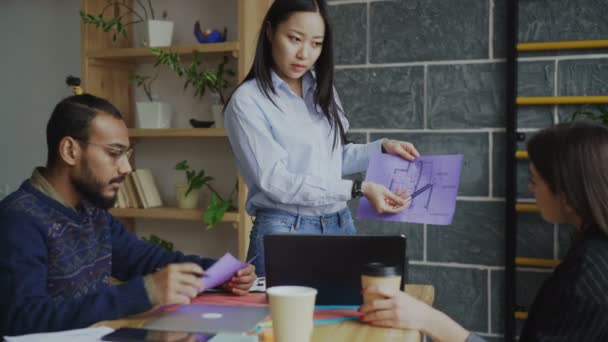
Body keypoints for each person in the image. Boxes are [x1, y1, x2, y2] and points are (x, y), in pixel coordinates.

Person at [0, 91, 256, 336]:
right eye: (114, 153)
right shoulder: (18, 219)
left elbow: (145, 259)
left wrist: (220, 273)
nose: (126, 168)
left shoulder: (92, 213)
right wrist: (144, 291)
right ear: (69, 151)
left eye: (126, 154)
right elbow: (22, 319)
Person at [359, 121, 608, 341]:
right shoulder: (593, 255)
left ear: (567, 194)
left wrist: (429, 320)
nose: (530, 189)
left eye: (534, 180)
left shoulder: (588, 273)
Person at [224, 0, 419, 276]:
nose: (304, 53)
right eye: (294, 39)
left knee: (346, 318)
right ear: (270, 32)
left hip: (339, 223)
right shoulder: (247, 102)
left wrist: (382, 149)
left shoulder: (320, 88)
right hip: (284, 231)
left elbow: (330, 160)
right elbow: (275, 182)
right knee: (280, 320)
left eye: (316, 43)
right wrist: (357, 189)